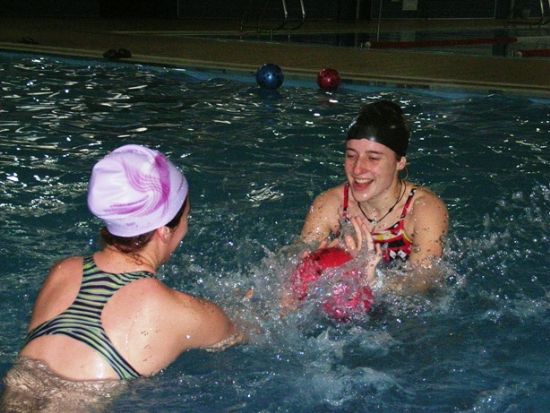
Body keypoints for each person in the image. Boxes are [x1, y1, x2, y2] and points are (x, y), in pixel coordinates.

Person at [2, 144, 242, 410]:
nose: (186, 227)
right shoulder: (180, 312)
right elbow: (258, 329)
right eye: (187, 217)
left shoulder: (63, 271)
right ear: (163, 231)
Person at [300, 100, 448, 294]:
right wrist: (309, 264)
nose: (357, 169)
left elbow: (423, 282)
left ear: (400, 162)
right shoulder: (330, 205)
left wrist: (374, 282)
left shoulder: (424, 209)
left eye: (373, 158)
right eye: (351, 156)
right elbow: (294, 260)